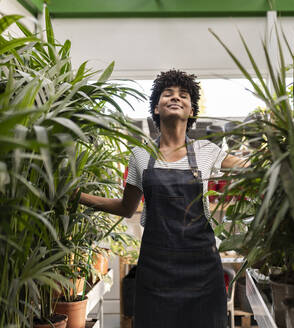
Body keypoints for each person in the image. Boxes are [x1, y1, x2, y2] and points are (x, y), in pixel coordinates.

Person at [79, 69, 247, 328]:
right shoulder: (140, 155)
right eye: (167, 94)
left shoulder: (206, 151)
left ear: (191, 110)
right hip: (156, 270)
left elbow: (245, 165)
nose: (175, 98)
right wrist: (78, 197)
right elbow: (126, 208)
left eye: (183, 95)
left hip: (202, 271)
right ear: (156, 108)